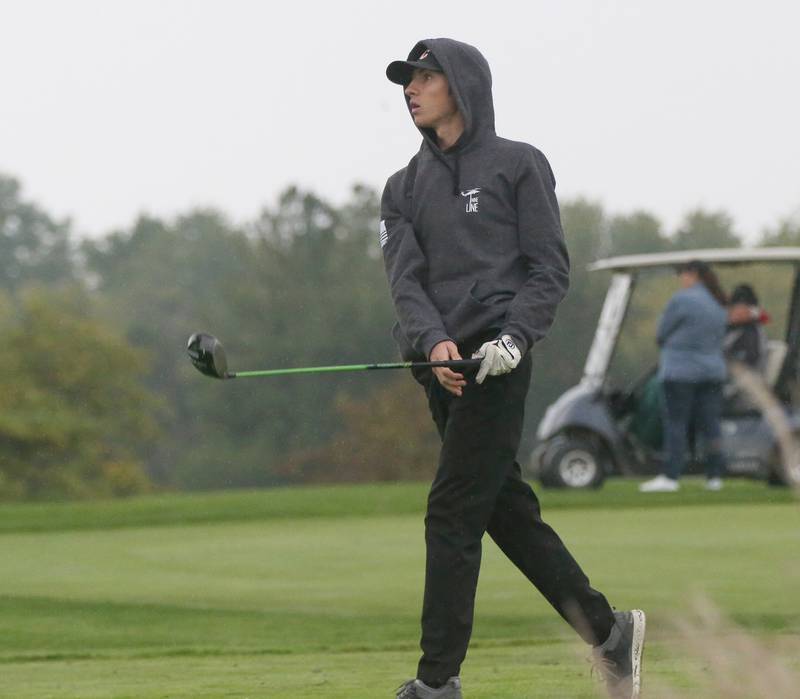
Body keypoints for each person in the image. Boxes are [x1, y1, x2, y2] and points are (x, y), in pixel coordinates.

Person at [380, 39, 645, 699]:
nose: (411, 90)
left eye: (425, 77)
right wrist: (433, 344)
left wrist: (516, 337)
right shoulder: (401, 189)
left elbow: (548, 267)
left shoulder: (519, 166)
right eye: (407, 82)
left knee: (451, 510)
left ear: (462, 85)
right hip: (439, 364)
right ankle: (609, 630)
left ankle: (438, 678)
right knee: (505, 509)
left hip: (498, 363)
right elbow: (405, 281)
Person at [640, 260, 728, 493]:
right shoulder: (718, 301)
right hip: (712, 372)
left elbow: (661, 333)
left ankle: (671, 477)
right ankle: (714, 477)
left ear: (693, 274)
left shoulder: (682, 299)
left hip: (680, 372)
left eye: (682, 274)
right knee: (711, 425)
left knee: (676, 425)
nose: (681, 279)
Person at [724, 283, 769, 373]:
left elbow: (747, 364)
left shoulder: (752, 334)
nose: (731, 311)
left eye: (736, 307)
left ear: (751, 310)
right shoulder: (732, 329)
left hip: (741, 381)